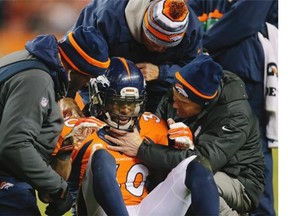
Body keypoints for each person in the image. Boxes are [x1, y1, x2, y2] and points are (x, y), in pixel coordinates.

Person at [105, 54, 265, 215]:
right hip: (197, 163)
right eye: (174, 97)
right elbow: (157, 132)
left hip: (240, 180)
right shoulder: (182, 88)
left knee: (198, 186)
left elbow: (202, 162)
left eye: (183, 104)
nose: (174, 105)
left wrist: (141, 149)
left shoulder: (235, 116)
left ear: (203, 104)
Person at [59, 57, 219, 215]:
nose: (127, 111)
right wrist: (66, 148)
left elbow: (167, 180)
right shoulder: (79, 128)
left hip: (144, 208)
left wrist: (182, 152)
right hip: (96, 211)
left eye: (133, 104)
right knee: (101, 156)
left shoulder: (152, 125)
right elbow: (50, 189)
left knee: (196, 163)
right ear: (99, 99)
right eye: (119, 104)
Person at [0, 25, 110, 215]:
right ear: (75, 68)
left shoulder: (28, 60)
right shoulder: (37, 79)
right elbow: (14, 145)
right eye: (87, 77)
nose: (85, 84)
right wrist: (57, 186)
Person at [187, 1, 278, 215]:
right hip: (209, 80)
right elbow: (188, 18)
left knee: (252, 152)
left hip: (246, 76)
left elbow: (245, 21)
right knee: (208, 149)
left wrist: (201, 46)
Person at [69, 0, 203, 112]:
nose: (161, 49)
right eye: (155, 42)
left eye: (168, 45)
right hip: (103, 90)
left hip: (158, 96)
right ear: (143, 26)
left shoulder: (191, 27)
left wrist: (162, 73)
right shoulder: (106, 16)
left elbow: (196, 72)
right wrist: (68, 96)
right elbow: (73, 59)